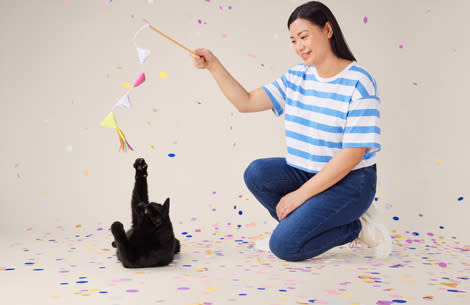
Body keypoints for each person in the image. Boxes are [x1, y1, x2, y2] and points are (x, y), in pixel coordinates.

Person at [192, 1, 392, 261]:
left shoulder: (359, 81)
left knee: (285, 247)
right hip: (307, 171)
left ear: (328, 30)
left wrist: (299, 196)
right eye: (293, 40)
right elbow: (247, 102)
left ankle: (355, 227)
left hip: (351, 181)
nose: (299, 46)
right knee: (257, 173)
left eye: (304, 37)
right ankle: (298, 228)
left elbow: (353, 155)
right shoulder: (297, 76)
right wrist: (213, 65)